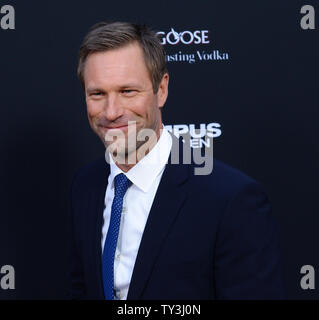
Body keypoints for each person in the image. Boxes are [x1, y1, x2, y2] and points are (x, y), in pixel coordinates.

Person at [69, 21, 285, 300]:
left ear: (161, 90)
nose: (111, 112)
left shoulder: (230, 198)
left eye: (127, 91)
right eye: (98, 94)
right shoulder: (85, 186)